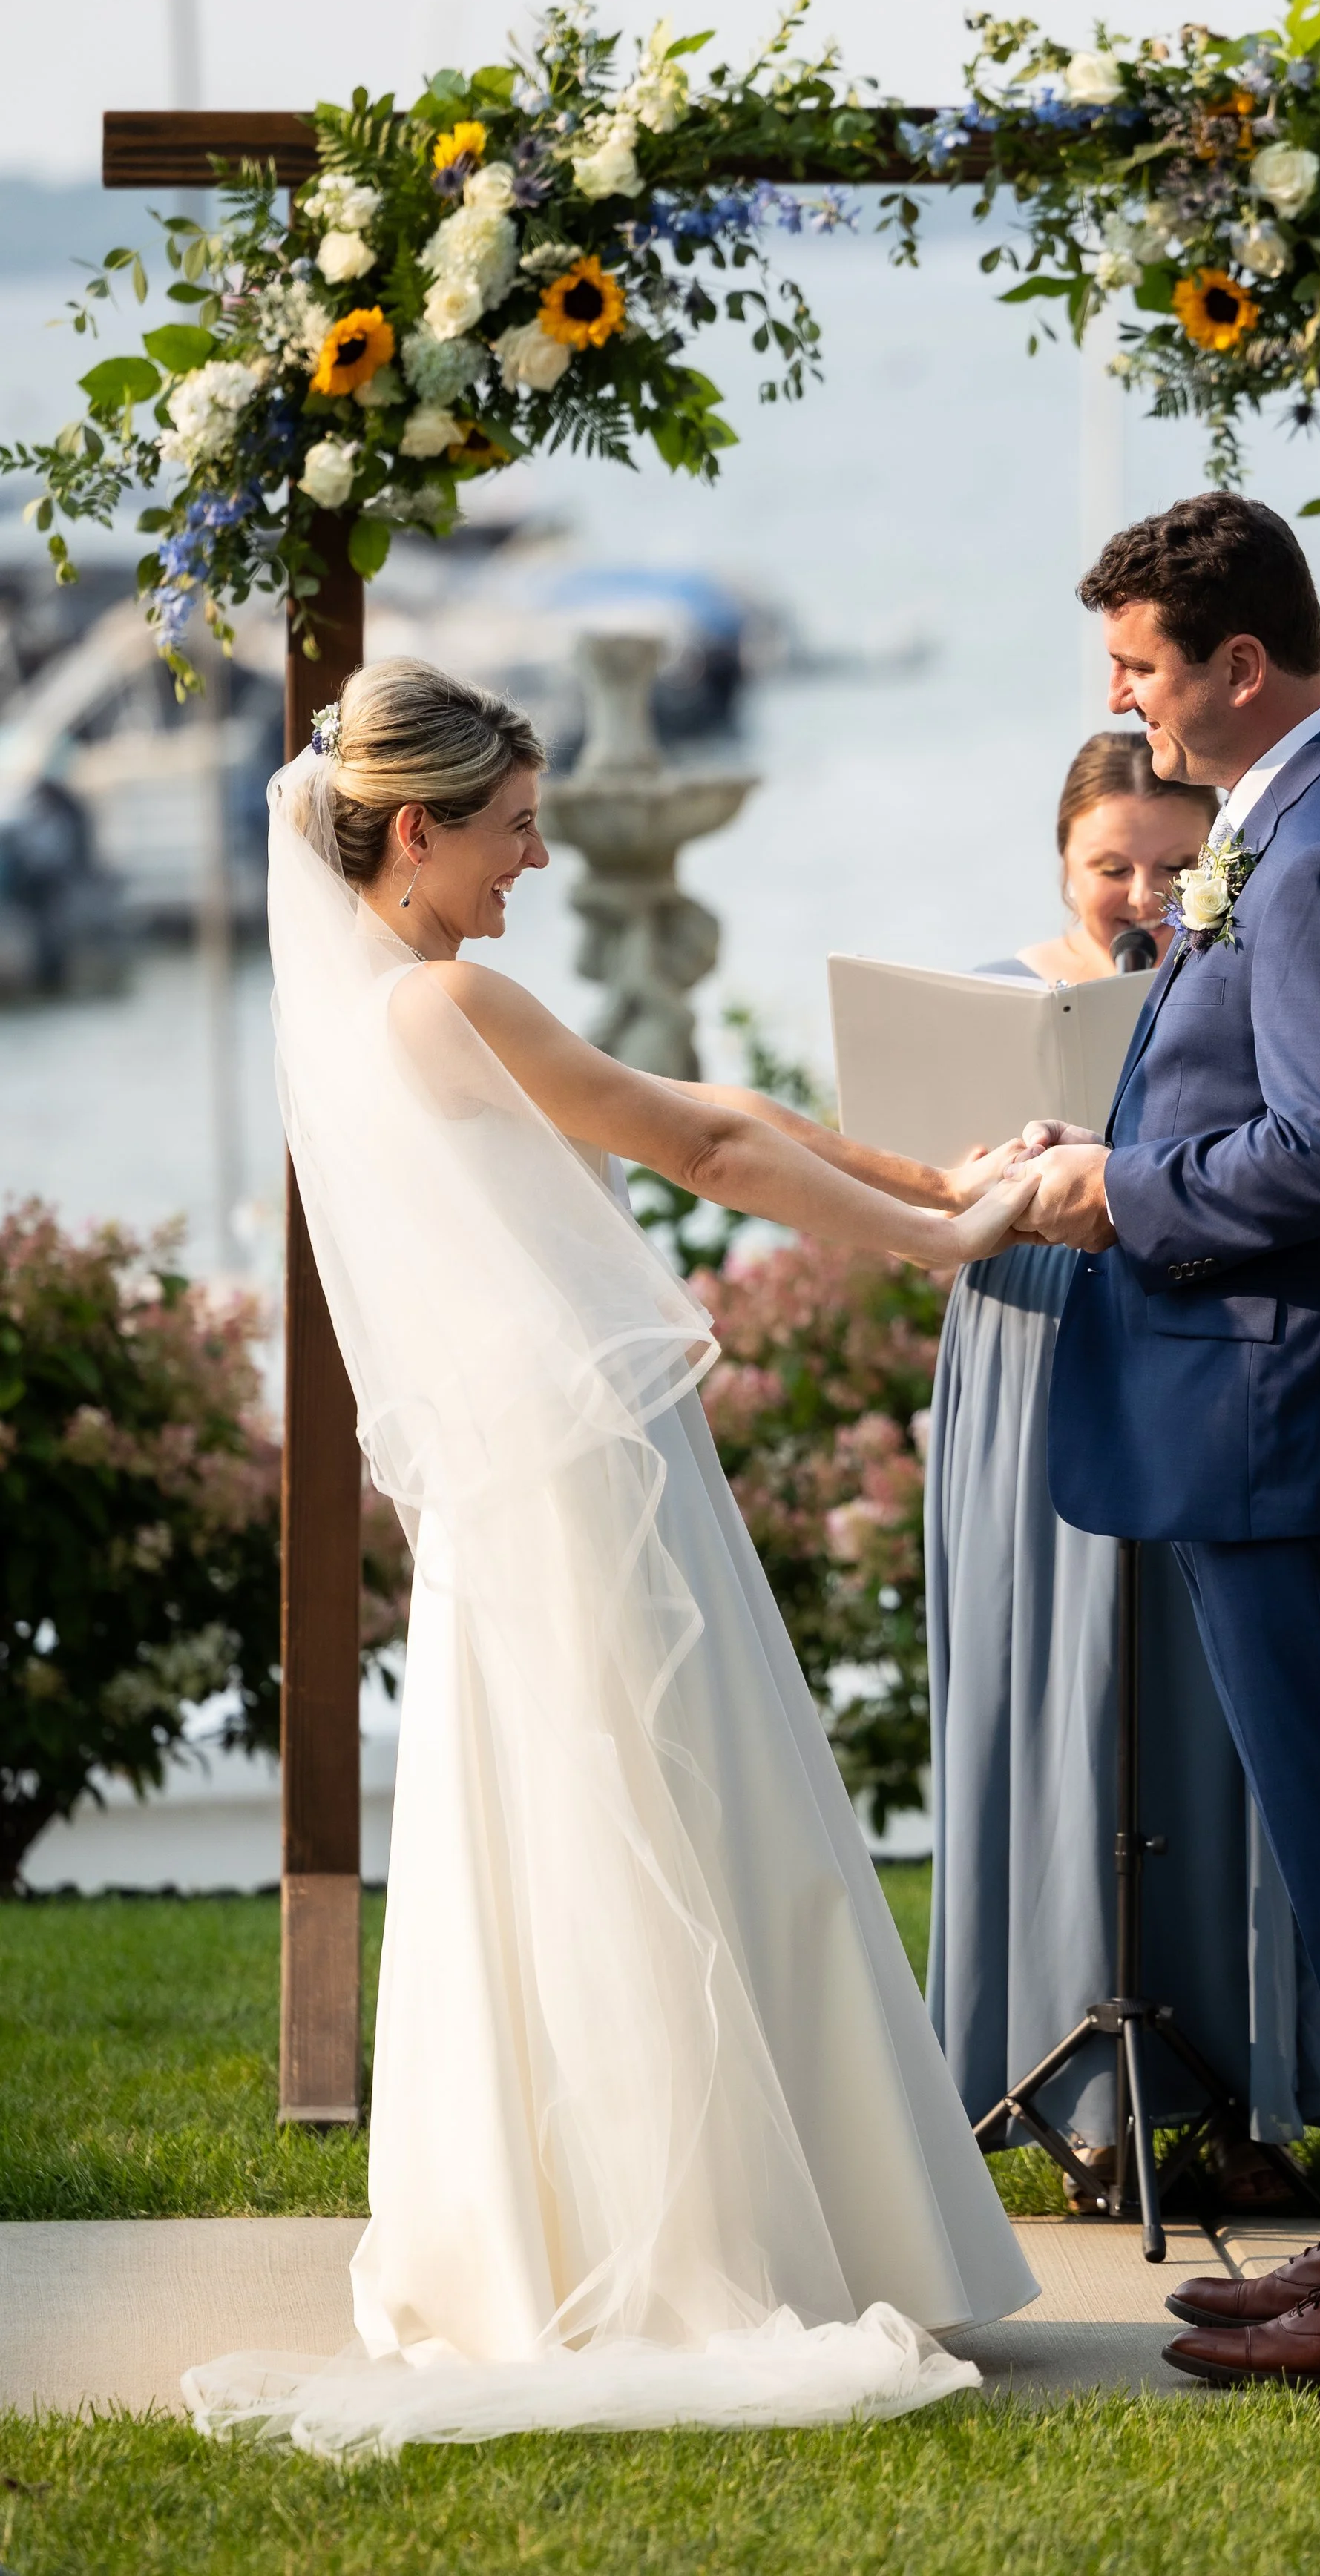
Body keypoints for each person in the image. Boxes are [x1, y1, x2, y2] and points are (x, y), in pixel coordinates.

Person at [184, 659, 1037, 2459]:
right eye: (509, 831)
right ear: (413, 836)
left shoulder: (398, 1011)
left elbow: (715, 1107)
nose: (540, 859)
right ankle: (712, 2253)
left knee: (601, 1837)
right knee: (669, 1826)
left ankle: (597, 2231)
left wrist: (922, 1167)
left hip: (539, 1482)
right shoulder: (443, 1008)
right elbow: (706, 1145)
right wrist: (948, 1237)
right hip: (582, 1482)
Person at [1017, 494, 1320, 2392]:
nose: (1125, 707)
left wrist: (1112, 1190)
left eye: (1139, 669)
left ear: (1236, 666)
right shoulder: (1304, 811)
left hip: (1285, 1412)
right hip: (1277, 1408)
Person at [927, 733, 1320, 2207]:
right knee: (1064, 1709)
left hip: (1227, 1371)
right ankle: (1080, 2088)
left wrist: (1117, 1176)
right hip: (1041, 1357)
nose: (1137, 893)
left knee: (1256, 1756)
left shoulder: (1279, 908)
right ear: (1058, 863)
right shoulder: (1004, 996)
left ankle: (1263, 2083)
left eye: (1163, 864)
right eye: (1103, 867)